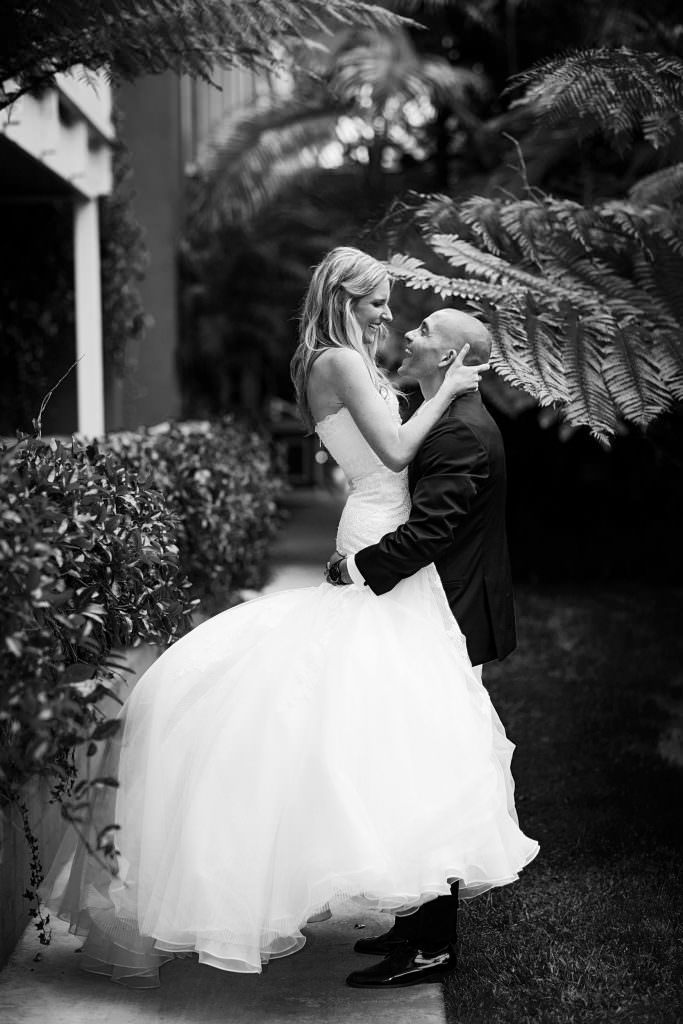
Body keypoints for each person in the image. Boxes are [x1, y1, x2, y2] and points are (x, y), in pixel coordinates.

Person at [43, 247, 538, 990]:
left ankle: (418, 921)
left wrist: (442, 386)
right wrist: (447, 390)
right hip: (375, 537)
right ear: (343, 296)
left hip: (381, 535)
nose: (387, 318)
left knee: (392, 718)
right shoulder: (336, 361)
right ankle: (417, 921)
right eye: (376, 302)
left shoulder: (346, 358)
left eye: (395, 309)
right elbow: (398, 447)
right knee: (384, 716)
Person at [324, 305, 519, 987]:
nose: (407, 334)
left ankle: (433, 943)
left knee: (431, 775)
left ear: (448, 359)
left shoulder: (459, 434)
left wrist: (355, 568)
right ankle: (412, 924)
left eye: (424, 333)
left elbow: (431, 533)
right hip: (440, 611)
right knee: (409, 762)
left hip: (453, 617)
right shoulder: (445, 413)